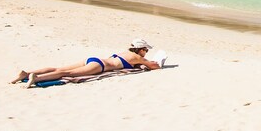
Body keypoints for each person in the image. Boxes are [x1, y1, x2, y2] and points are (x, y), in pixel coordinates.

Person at [11, 39, 161, 87]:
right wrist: (156, 61)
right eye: (146, 50)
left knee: (59, 68)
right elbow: (154, 66)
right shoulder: (138, 57)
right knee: (65, 74)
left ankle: (27, 73)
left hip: (94, 59)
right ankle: (36, 78)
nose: (146, 53)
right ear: (141, 49)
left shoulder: (124, 52)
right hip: (99, 66)